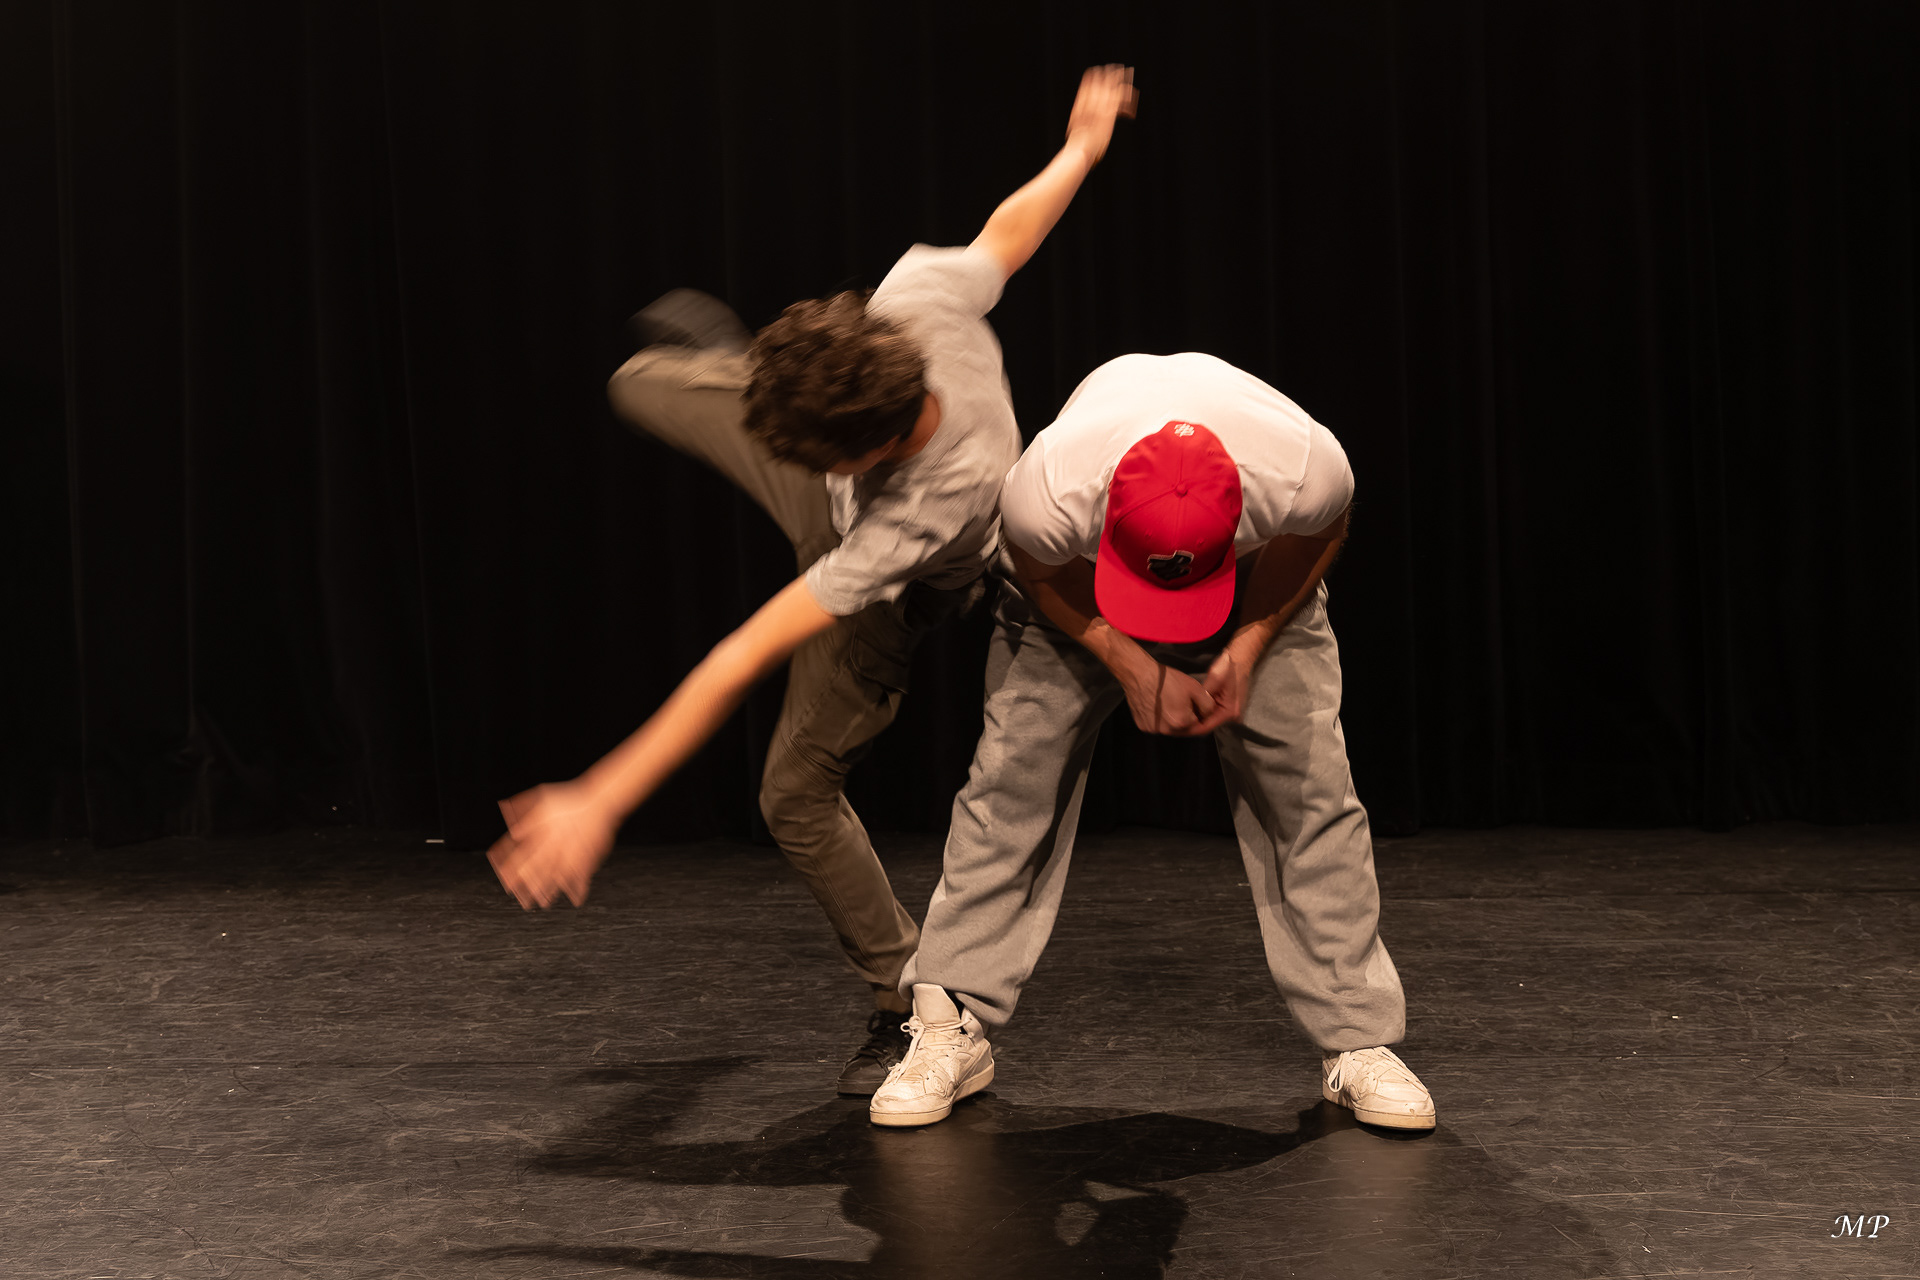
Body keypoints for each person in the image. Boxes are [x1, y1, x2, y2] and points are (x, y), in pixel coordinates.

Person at [486, 66, 1140, 1097]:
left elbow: (739, 654)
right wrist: (1082, 148)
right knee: (640, 381)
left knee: (792, 794)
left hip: (888, 588)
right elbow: (1006, 236)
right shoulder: (914, 306)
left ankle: (902, 991)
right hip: (834, 466)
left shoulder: (924, 507)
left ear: (865, 450)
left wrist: (601, 795)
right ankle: (747, 369)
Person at [867, 352, 1438, 1131]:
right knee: (1009, 787)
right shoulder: (1049, 490)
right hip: (1078, 578)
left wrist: (1251, 640)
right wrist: (1132, 664)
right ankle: (951, 1023)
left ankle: (1358, 1038)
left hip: (1252, 576)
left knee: (1310, 791)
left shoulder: (1306, 467)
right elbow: (1040, 572)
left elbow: (1317, 536)